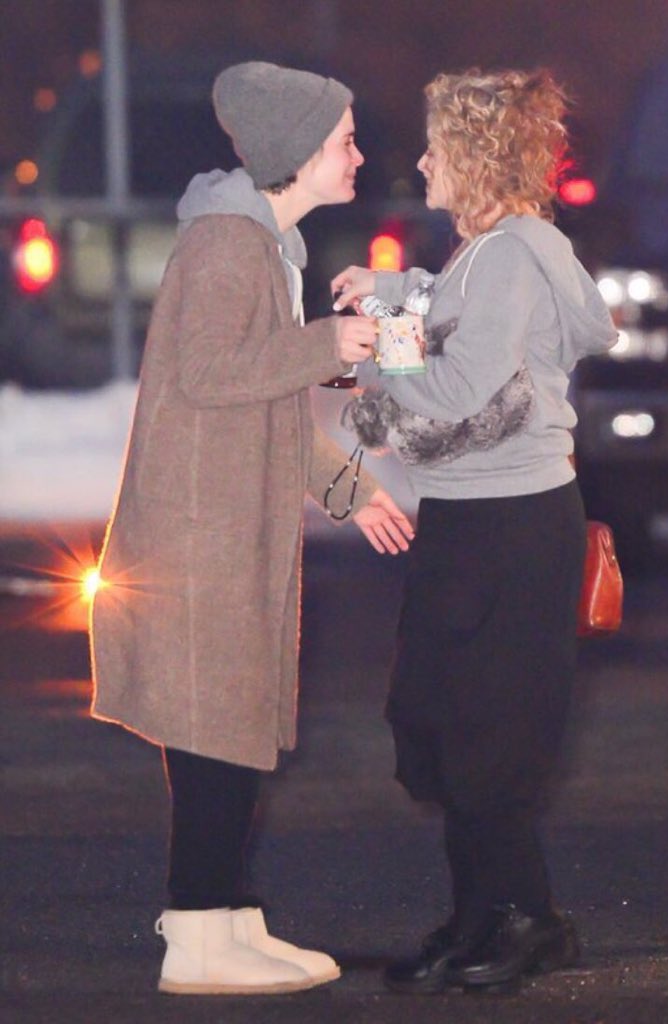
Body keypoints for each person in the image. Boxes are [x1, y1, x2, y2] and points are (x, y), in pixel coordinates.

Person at [89, 61, 413, 997]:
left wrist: (357, 494)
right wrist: (334, 343)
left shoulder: (263, 244)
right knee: (214, 733)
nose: (358, 154)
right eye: (346, 139)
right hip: (202, 541)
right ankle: (196, 937)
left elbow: (265, 405)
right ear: (301, 152)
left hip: (227, 533)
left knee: (227, 730)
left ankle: (227, 918)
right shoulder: (229, 245)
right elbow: (208, 374)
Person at [332, 67, 617, 995]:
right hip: (477, 517)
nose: (419, 163)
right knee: (445, 720)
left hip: (510, 522)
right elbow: (447, 325)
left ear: (477, 155)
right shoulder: (481, 255)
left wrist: (379, 350)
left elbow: (459, 393)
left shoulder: (511, 256)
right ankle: (479, 914)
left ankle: (530, 919)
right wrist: (394, 290)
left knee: (489, 733)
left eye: (433, 147)